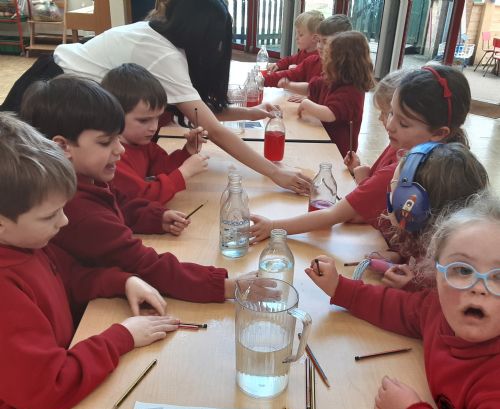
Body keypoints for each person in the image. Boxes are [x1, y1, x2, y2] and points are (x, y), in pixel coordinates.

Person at [0, 113, 180, 409]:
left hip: (63, 384)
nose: (64, 221)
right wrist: (122, 337)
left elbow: (69, 276)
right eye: (50, 215)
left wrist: (121, 280)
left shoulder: (25, 243)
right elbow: (49, 389)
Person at [1, 0, 310, 195]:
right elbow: (212, 128)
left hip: (58, 78)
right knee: (24, 173)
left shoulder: (160, 35)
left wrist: (250, 113)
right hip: (53, 88)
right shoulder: (165, 55)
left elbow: (198, 110)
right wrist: (275, 172)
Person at [305, 190, 500, 409]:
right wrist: (342, 289)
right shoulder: (436, 309)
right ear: (436, 275)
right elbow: (400, 309)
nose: (479, 288)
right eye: (462, 270)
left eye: (499, 277)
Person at [20, 75, 244, 303]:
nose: (121, 150)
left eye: (118, 138)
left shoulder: (86, 178)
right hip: (92, 310)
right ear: (62, 146)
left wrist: (156, 218)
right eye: (105, 142)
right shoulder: (79, 210)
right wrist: (228, 287)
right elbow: (145, 265)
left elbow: (120, 203)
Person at [250, 65, 472, 244]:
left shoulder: (401, 168)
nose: (389, 125)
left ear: (439, 133)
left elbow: (333, 215)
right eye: (391, 113)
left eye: (403, 123)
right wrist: (363, 175)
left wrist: (273, 227)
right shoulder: (403, 148)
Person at [380, 142, 488, 290]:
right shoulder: (424, 236)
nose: (390, 195)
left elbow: (438, 303)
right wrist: (399, 257)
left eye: (394, 188)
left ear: (412, 205)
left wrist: (411, 288)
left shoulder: (455, 265)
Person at [101, 63, 208, 211]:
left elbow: (162, 168)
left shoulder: (143, 144)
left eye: (157, 117)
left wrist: (188, 150)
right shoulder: (113, 158)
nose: (153, 127)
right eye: (144, 120)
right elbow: (143, 197)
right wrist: (184, 173)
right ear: (113, 115)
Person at [277, 31, 374, 157]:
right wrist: (289, 85)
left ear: (342, 63)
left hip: (338, 152)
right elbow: (311, 88)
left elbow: (329, 114)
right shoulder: (335, 79)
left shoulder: (352, 91)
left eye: (328, 58)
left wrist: (306, 103)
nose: (324, 60)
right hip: (323, 139)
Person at [344, 68, 408, 185]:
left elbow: (371, 193)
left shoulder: (399, 166)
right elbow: (375, 178)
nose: (380, 118)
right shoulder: (396, 145)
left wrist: (363, 181)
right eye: (390, 114)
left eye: (386, 113)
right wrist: (357, 169)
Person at [265, 14, 352, 88]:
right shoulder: (312, 61)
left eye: (325, 42)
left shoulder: (344, 74)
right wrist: (262, 79)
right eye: (319, 41)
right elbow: (291, 74)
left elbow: (321, 93)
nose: (319, 46)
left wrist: (308, 97)